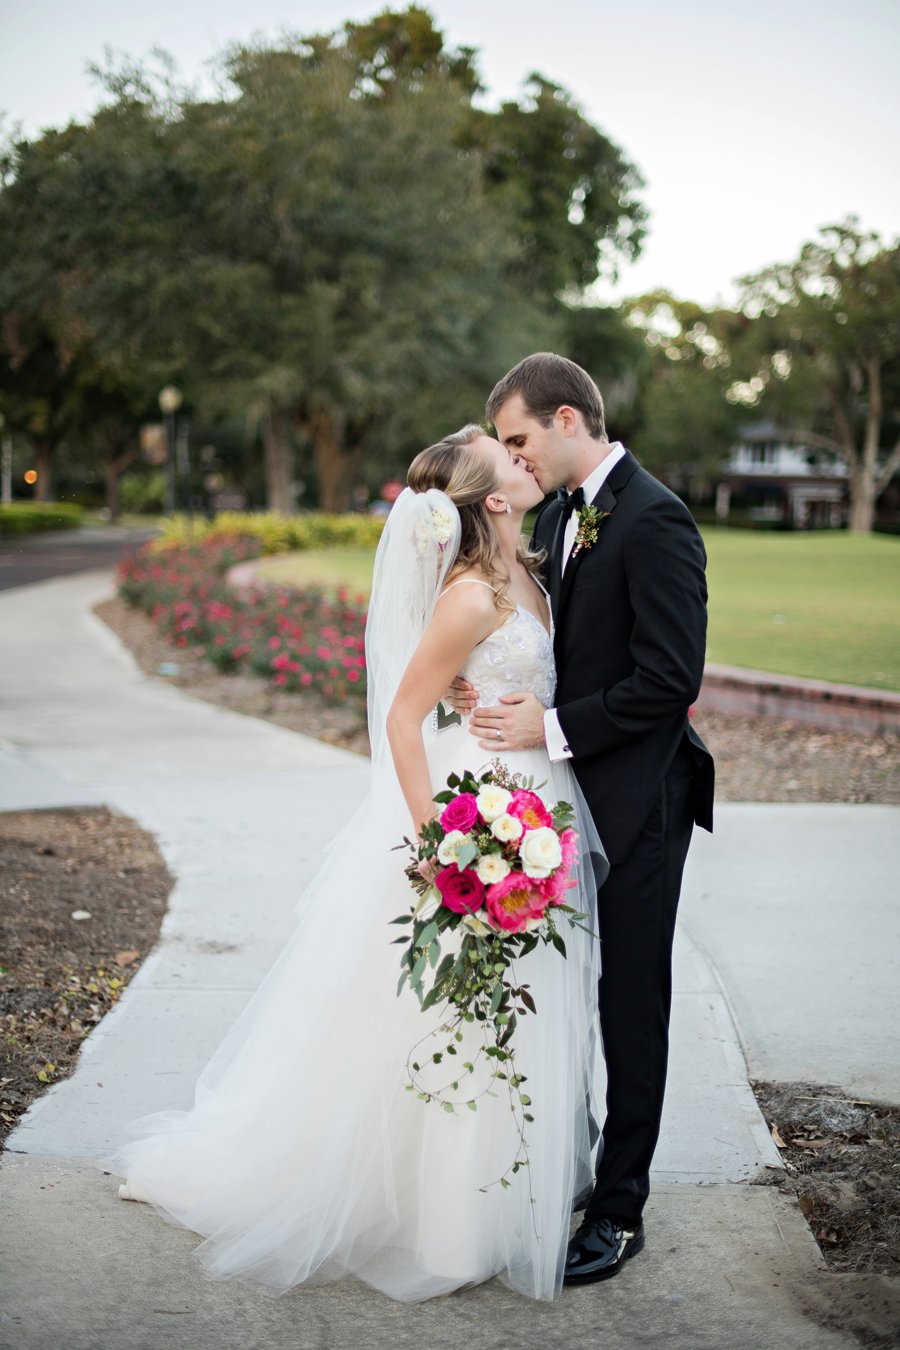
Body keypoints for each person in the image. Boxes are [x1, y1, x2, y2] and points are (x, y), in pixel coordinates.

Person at [105, 424, 608, 1304]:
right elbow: (403, 717)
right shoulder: (467, 596)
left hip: (539, 803)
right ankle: (452, 1225)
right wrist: (439, 846)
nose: (524, 463)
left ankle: (510, 1195)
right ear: (491, 499)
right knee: (461, 1014)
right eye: (508, 459)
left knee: (523, 1013)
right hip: (478, 822)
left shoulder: (528, 570)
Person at [448, 353, 714, 1284]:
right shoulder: (558, 516)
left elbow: (670, 681)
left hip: (643, 798)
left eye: (518, 438)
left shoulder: (657, 519)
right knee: (563, 986)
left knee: (629, 1001)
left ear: (567, 420)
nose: (511, 458)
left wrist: (550, 725)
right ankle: (571, 1161)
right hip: (564, 803)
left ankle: (620, 1209)